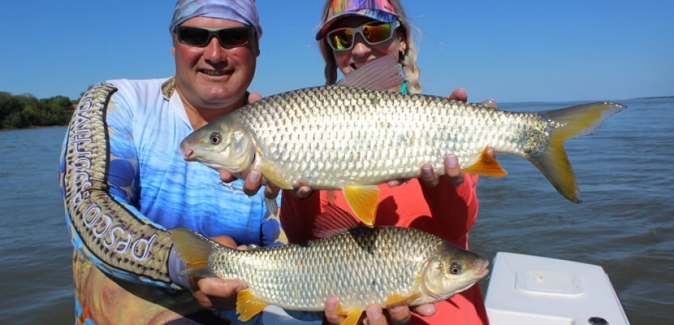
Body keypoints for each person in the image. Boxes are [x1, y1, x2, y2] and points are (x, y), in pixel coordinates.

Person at [223, 1, 493, 324]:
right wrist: (293, 185)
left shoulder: (434, 125)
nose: (360, 49)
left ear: (402, 39)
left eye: (375, 30)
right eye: (341, 39)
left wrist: (443, 179)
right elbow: (303, 245)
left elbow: (457, 227)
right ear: (330, 53)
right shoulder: (310, 136)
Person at [59, 1, 283, 324]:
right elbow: (89, 207)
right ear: (175, 44)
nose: (215, 54)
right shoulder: (118, 103)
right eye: (195, 35)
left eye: (234, 36)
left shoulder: (290, 138)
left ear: (257, 46)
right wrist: (189, 263)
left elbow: (301, 279)